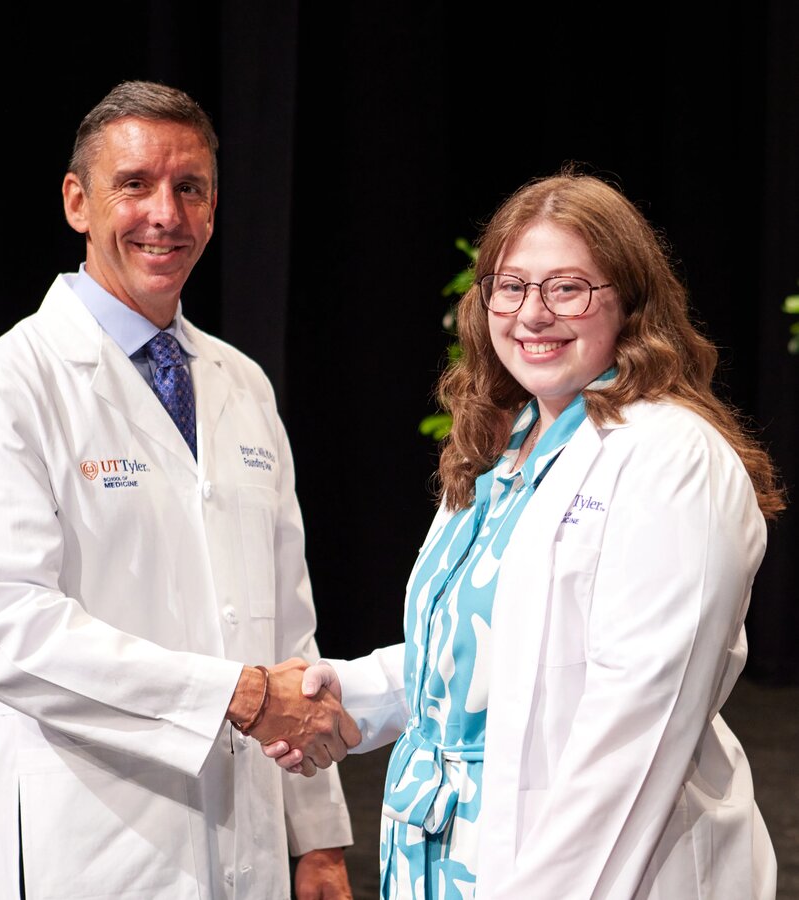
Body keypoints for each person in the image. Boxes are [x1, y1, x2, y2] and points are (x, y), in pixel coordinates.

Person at [265, 167, 785, 898]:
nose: (532, 313)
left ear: (631, 303)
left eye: (568, 287)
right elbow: (490, 648)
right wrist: (353, 690)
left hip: (579, 871)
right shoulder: (504, 450)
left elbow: (634, 737)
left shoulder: (673, 458)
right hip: (447, 858)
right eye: (511, 286)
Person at [0, 79, 361, 900]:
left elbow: (290, 626)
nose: (165, 213)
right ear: (77, 202)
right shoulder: (2, 385)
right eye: (135, 184)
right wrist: (228, 695)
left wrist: (319, 836)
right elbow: (7, 632)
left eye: (190, 188)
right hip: (93, 844)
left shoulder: (243, 384)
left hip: (250, 844)